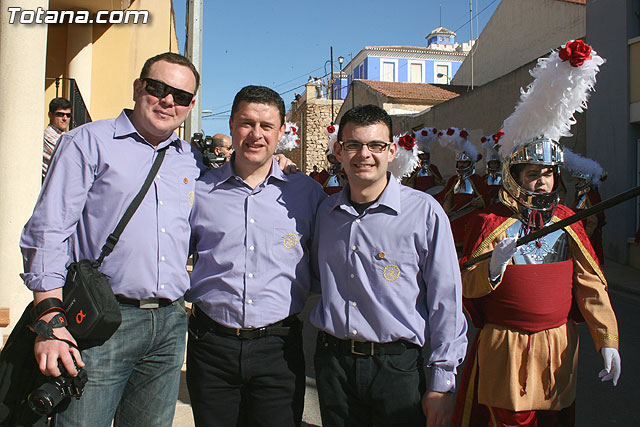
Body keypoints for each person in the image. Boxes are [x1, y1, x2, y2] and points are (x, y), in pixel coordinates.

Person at [20, 52, 201, 426]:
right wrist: (50, 318)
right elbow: (48, 230)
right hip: (103, 323)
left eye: (181, 96)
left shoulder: (190, 160)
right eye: (159, 88)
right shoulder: (87, 143)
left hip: (169, 324)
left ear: (190, 105)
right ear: (138, 88)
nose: (169, 101)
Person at [453, 40, 620, 427]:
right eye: (533, 174)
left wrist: (607, 340)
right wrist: (492, 268)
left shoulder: (568, 219)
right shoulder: (490, 222)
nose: (542, 182)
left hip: (557, 347)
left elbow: (591, 288)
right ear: (515, 177)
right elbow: (465, 286)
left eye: (548, 173)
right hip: (505, 349)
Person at [311, 104, 468, 427]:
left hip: (396, 369)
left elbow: (446, 300)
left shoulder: (424, 213)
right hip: (333, 366)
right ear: (339, 151)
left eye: (376, 145)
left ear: (392, 151)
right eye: (353, 144)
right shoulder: (324, 212)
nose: (364, 154)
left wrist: (442, 382)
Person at [185, 85, 326, 427]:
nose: (256, 134)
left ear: (281, 132)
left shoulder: (308, 194)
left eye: (266, 126)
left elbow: (323, 265)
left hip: (278, 349)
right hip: (211, 346)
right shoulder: (199, 191)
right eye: (247, 123)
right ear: (232, 124)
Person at [437, 128, 488, 250]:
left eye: (464, 163)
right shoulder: (453, 180)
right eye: (460, 163)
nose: (461, 165)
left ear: (470, 164)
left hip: (470, 214)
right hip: (456, 214)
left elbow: (485, 196)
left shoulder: (476, 179)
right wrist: (446, 210)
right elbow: (447, 196)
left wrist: (479, 201)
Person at [405, 127, 443, 193]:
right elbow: (410, 184)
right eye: (422, 155)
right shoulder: (414, 169)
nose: (424, 157)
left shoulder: (433, 168)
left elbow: (438, 185)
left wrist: (440, 182)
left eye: (425, 155)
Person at [42, 97, 72, 180]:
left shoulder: (64, 135)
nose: (65, 118)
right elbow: (69, 157)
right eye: (60, 114)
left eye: (68, 115)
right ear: (50, 115)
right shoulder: (48, 135)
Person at [480, 133, 503, 206]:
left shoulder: (502, 177)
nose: (493, 165)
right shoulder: (484, 178)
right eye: (492, 163)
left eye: (495, 163)